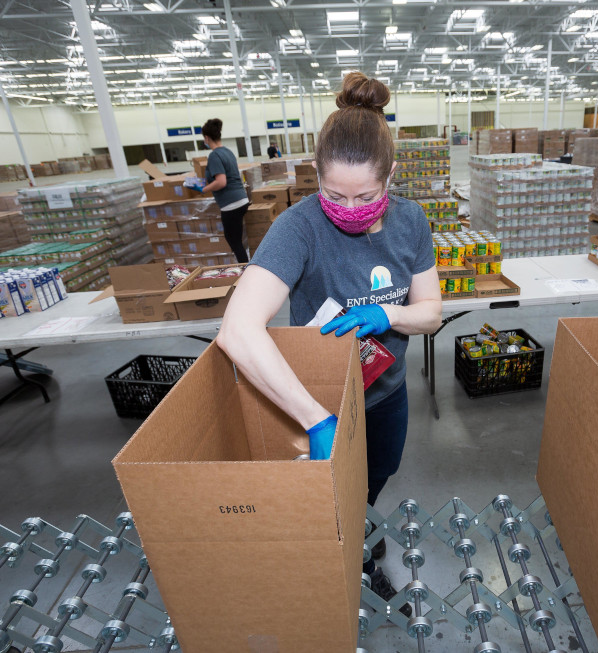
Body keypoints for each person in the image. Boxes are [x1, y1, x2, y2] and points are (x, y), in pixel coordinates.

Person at [216, 72, 441, 614]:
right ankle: (339, 564)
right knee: (325, 501)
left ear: (390, 175)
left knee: (373, 481)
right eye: (333, 192)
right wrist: (316, 419)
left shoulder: (410, 221)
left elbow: (431, 314)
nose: (349, 206)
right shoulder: (300, 227)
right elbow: (236, 329)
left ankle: (362, 532)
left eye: (366, 194)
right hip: (315, 398)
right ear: (315, 174)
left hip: (385, 394)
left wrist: (388, 314)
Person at [198, 118, 250, 264]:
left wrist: (204, 189)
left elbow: (221, 181)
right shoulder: (228, 152)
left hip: (231, 203)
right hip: (242, 199)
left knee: (234, 242)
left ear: (207, 138)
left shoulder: (214, 155)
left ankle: (244, 271)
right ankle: (245, 267)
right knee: (237, 240)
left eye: (204, 139)